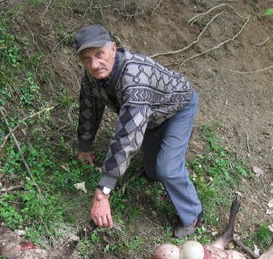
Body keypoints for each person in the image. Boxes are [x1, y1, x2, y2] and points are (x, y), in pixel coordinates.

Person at [74, 24, 203, 238]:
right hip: (150, 117)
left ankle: (193, 214)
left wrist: (103, 192)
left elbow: (128, 136)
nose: (95, 64)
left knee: (167, 170)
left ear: (113, 48)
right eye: (87, 59)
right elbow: (89, 107)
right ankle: (159, 154)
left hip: (178, 108)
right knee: (153, 172)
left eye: (100, 54)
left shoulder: (134, 79)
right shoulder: (91, 75)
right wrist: (84, 146)